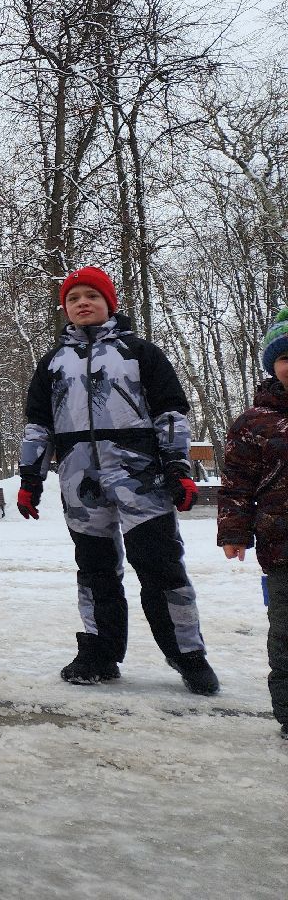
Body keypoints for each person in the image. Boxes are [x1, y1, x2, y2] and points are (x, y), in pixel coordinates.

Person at [17, 267, 219, 695]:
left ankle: (189, 655)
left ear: (110, 303)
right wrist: (29, 479)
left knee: (160, 567)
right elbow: (38, 426)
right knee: (94, 571)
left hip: (140, 479)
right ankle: (100, 651)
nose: (82, 304)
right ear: (65, 309)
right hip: (80, 482)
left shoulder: (139, 353)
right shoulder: (53, 363)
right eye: (74, 299)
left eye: (91, 296)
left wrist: (178, 469)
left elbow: (170, 415)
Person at [218, 307, 288, 738]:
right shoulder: (254, 422)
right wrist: (233, 530)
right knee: (285, 634)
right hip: (282, 548)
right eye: (285, 357)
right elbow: (237, 482)